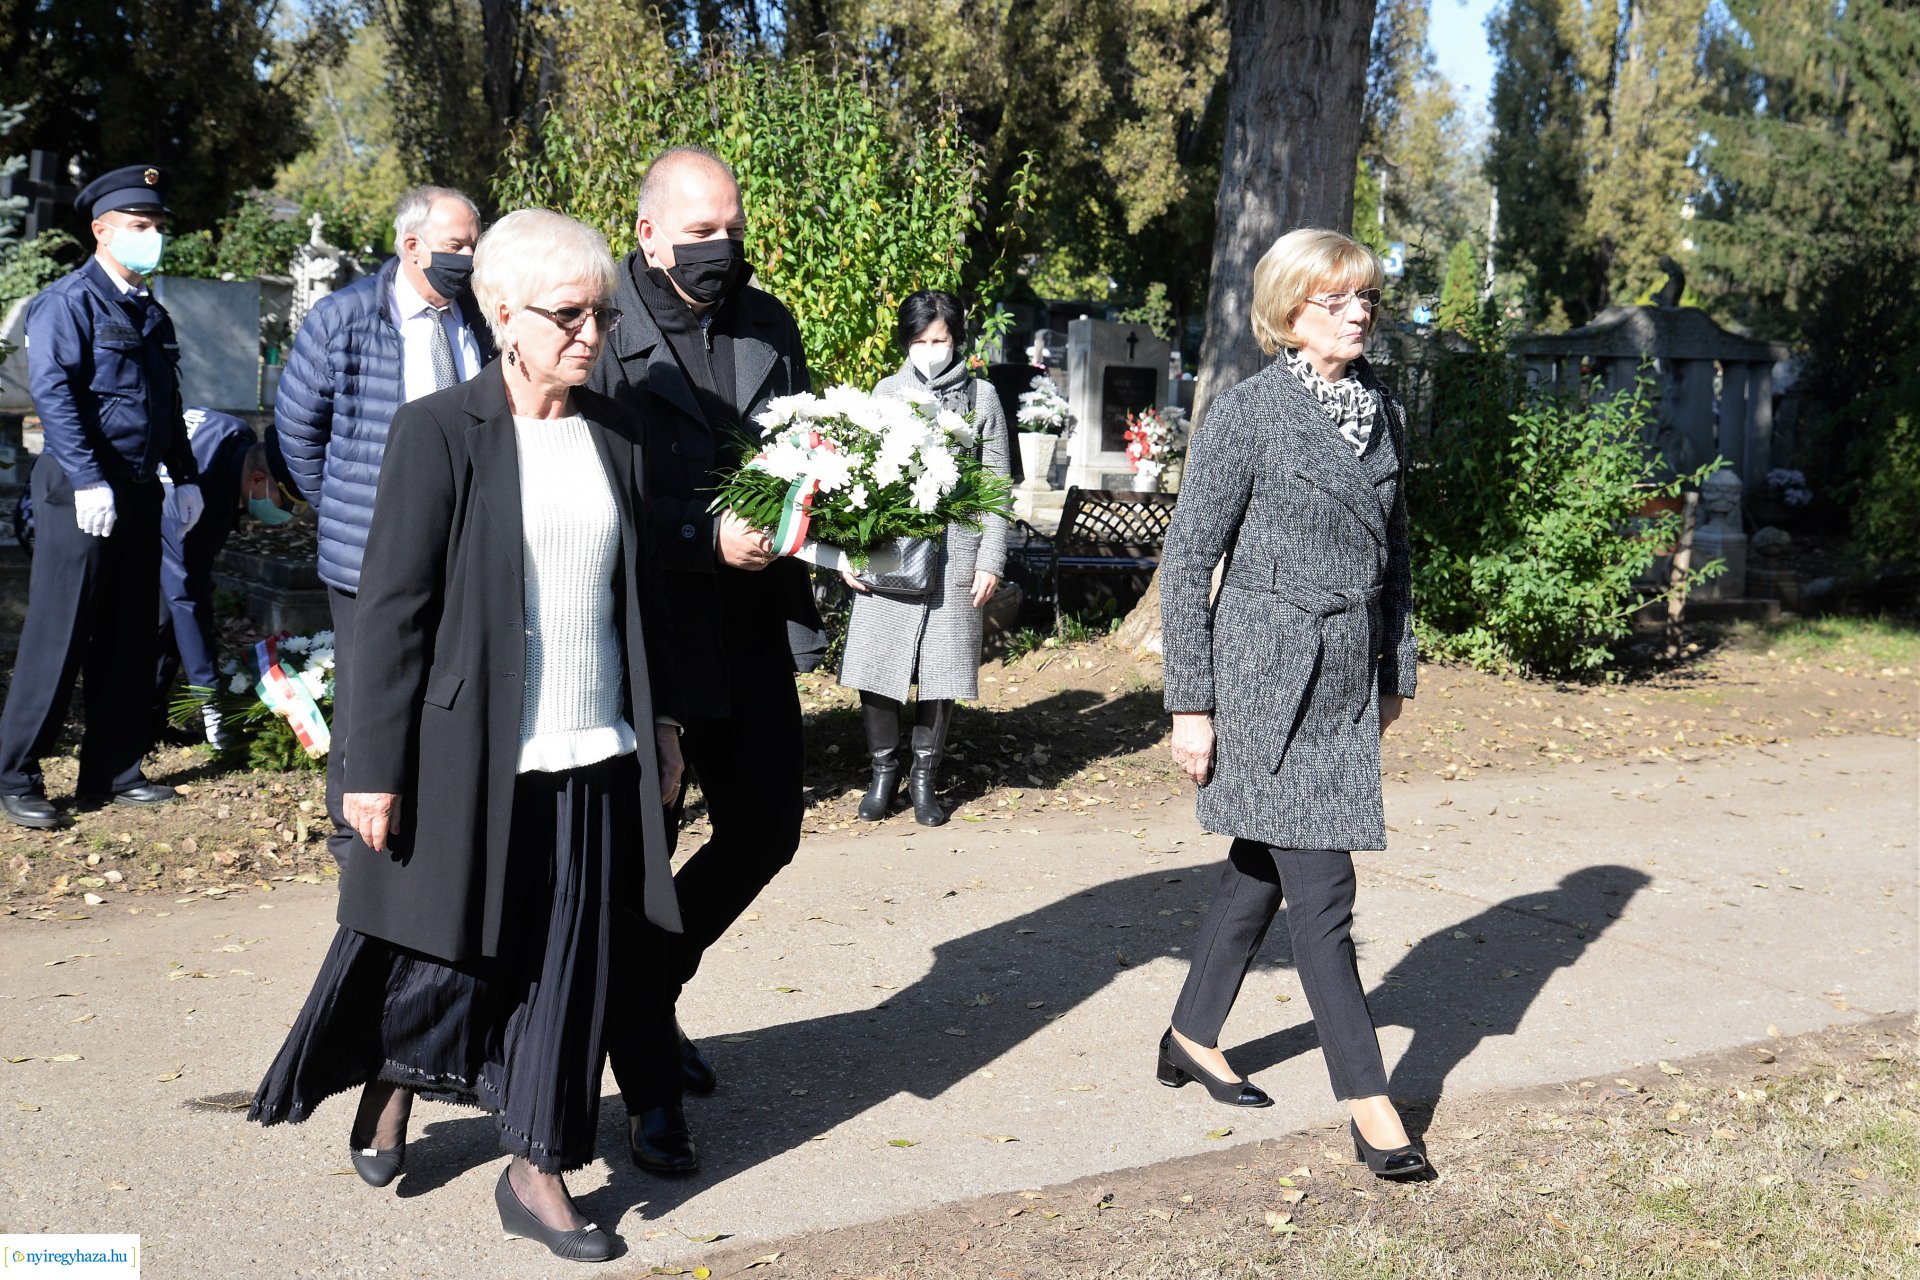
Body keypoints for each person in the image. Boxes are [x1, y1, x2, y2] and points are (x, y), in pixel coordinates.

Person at [247, 209, 685, 1263]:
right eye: (569, 314)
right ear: (503, 316)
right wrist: (372, 768)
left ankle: (536, 1163)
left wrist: (661, 723)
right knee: (450, 956)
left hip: (594, 747)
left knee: (566, 962)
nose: (592, 332)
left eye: (602, 312)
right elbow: (392, 614)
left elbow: (644, 599)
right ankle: (394, 1079)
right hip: (469, 754)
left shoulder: (616, 433)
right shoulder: (441, 430)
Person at [1157, 227, 1428, 1181]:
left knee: (1261, 869)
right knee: (1324, 891)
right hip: (1266, 676)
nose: (1359, 312)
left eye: (1366, 298)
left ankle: (1192, 1030)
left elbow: (1394, 557)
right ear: (1287, 314)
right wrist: (1191, 704)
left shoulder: (1384, 412)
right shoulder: (1247, 415)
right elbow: (1188, 562)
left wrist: (1396, 666)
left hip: (1348, 673)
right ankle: (1369, 1097)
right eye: (1336, 299)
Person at [587, 144, 819, 1177]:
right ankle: (648, 1100)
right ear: (648, 233)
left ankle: (641, 990)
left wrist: (844, 516)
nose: (722, 245)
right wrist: (698, 533)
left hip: (751, 621)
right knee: (645, 857)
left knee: (768, 826)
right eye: (700, 230)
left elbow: (808, 449)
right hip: (642, 630)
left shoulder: (768, 323)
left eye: (732, 225)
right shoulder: (600, 330)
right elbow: (587, 487)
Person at [273, 185, 491, 864]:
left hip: (465, 548)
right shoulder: (343, 320)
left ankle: (433, 835)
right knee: (372, 698)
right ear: (412, 245)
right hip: (369, 551)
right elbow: (297, 433)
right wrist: (347, 506)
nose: (469, 259)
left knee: (445, 691)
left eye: (474, 246)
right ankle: (358, 850)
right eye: (457, 246)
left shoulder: (477, 318)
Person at [0, 164, 204, 829]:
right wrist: (88, 478)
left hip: (141, 493)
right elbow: (54, 394)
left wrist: (188, 472)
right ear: (102, 230)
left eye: (157, 227)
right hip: (79, 492)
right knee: (58, 636)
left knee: (126, 636)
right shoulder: (68, 302)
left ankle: (113, 769)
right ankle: (17, 773)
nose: (153, 237)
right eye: (140, 226)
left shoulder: (149, 310)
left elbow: (164, 403)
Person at [838, 290, 1010, 827]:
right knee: (877, 660)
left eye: (940, 339)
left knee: (942, 668)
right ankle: (883, 773)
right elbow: (858, 477)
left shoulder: (982, 397)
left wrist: (991, 558)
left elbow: (998, 484)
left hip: (958, 551)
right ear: (905, 342)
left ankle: (923, 779)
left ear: (957, 339)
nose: (931, 349)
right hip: (891, 548)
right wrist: (847, 549)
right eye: (919, 340)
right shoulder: (886, 391)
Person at [154, 408, 299, 745]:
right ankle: (132, 734)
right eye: (288, 503)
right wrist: (211, 699)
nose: (289, 515)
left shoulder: (234, 435)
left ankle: (151, 724)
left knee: (174, 620)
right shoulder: (196, 493)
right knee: (161, 619)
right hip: (98, 524)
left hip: (149, 525)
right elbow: (185, 591)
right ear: (259, 480)